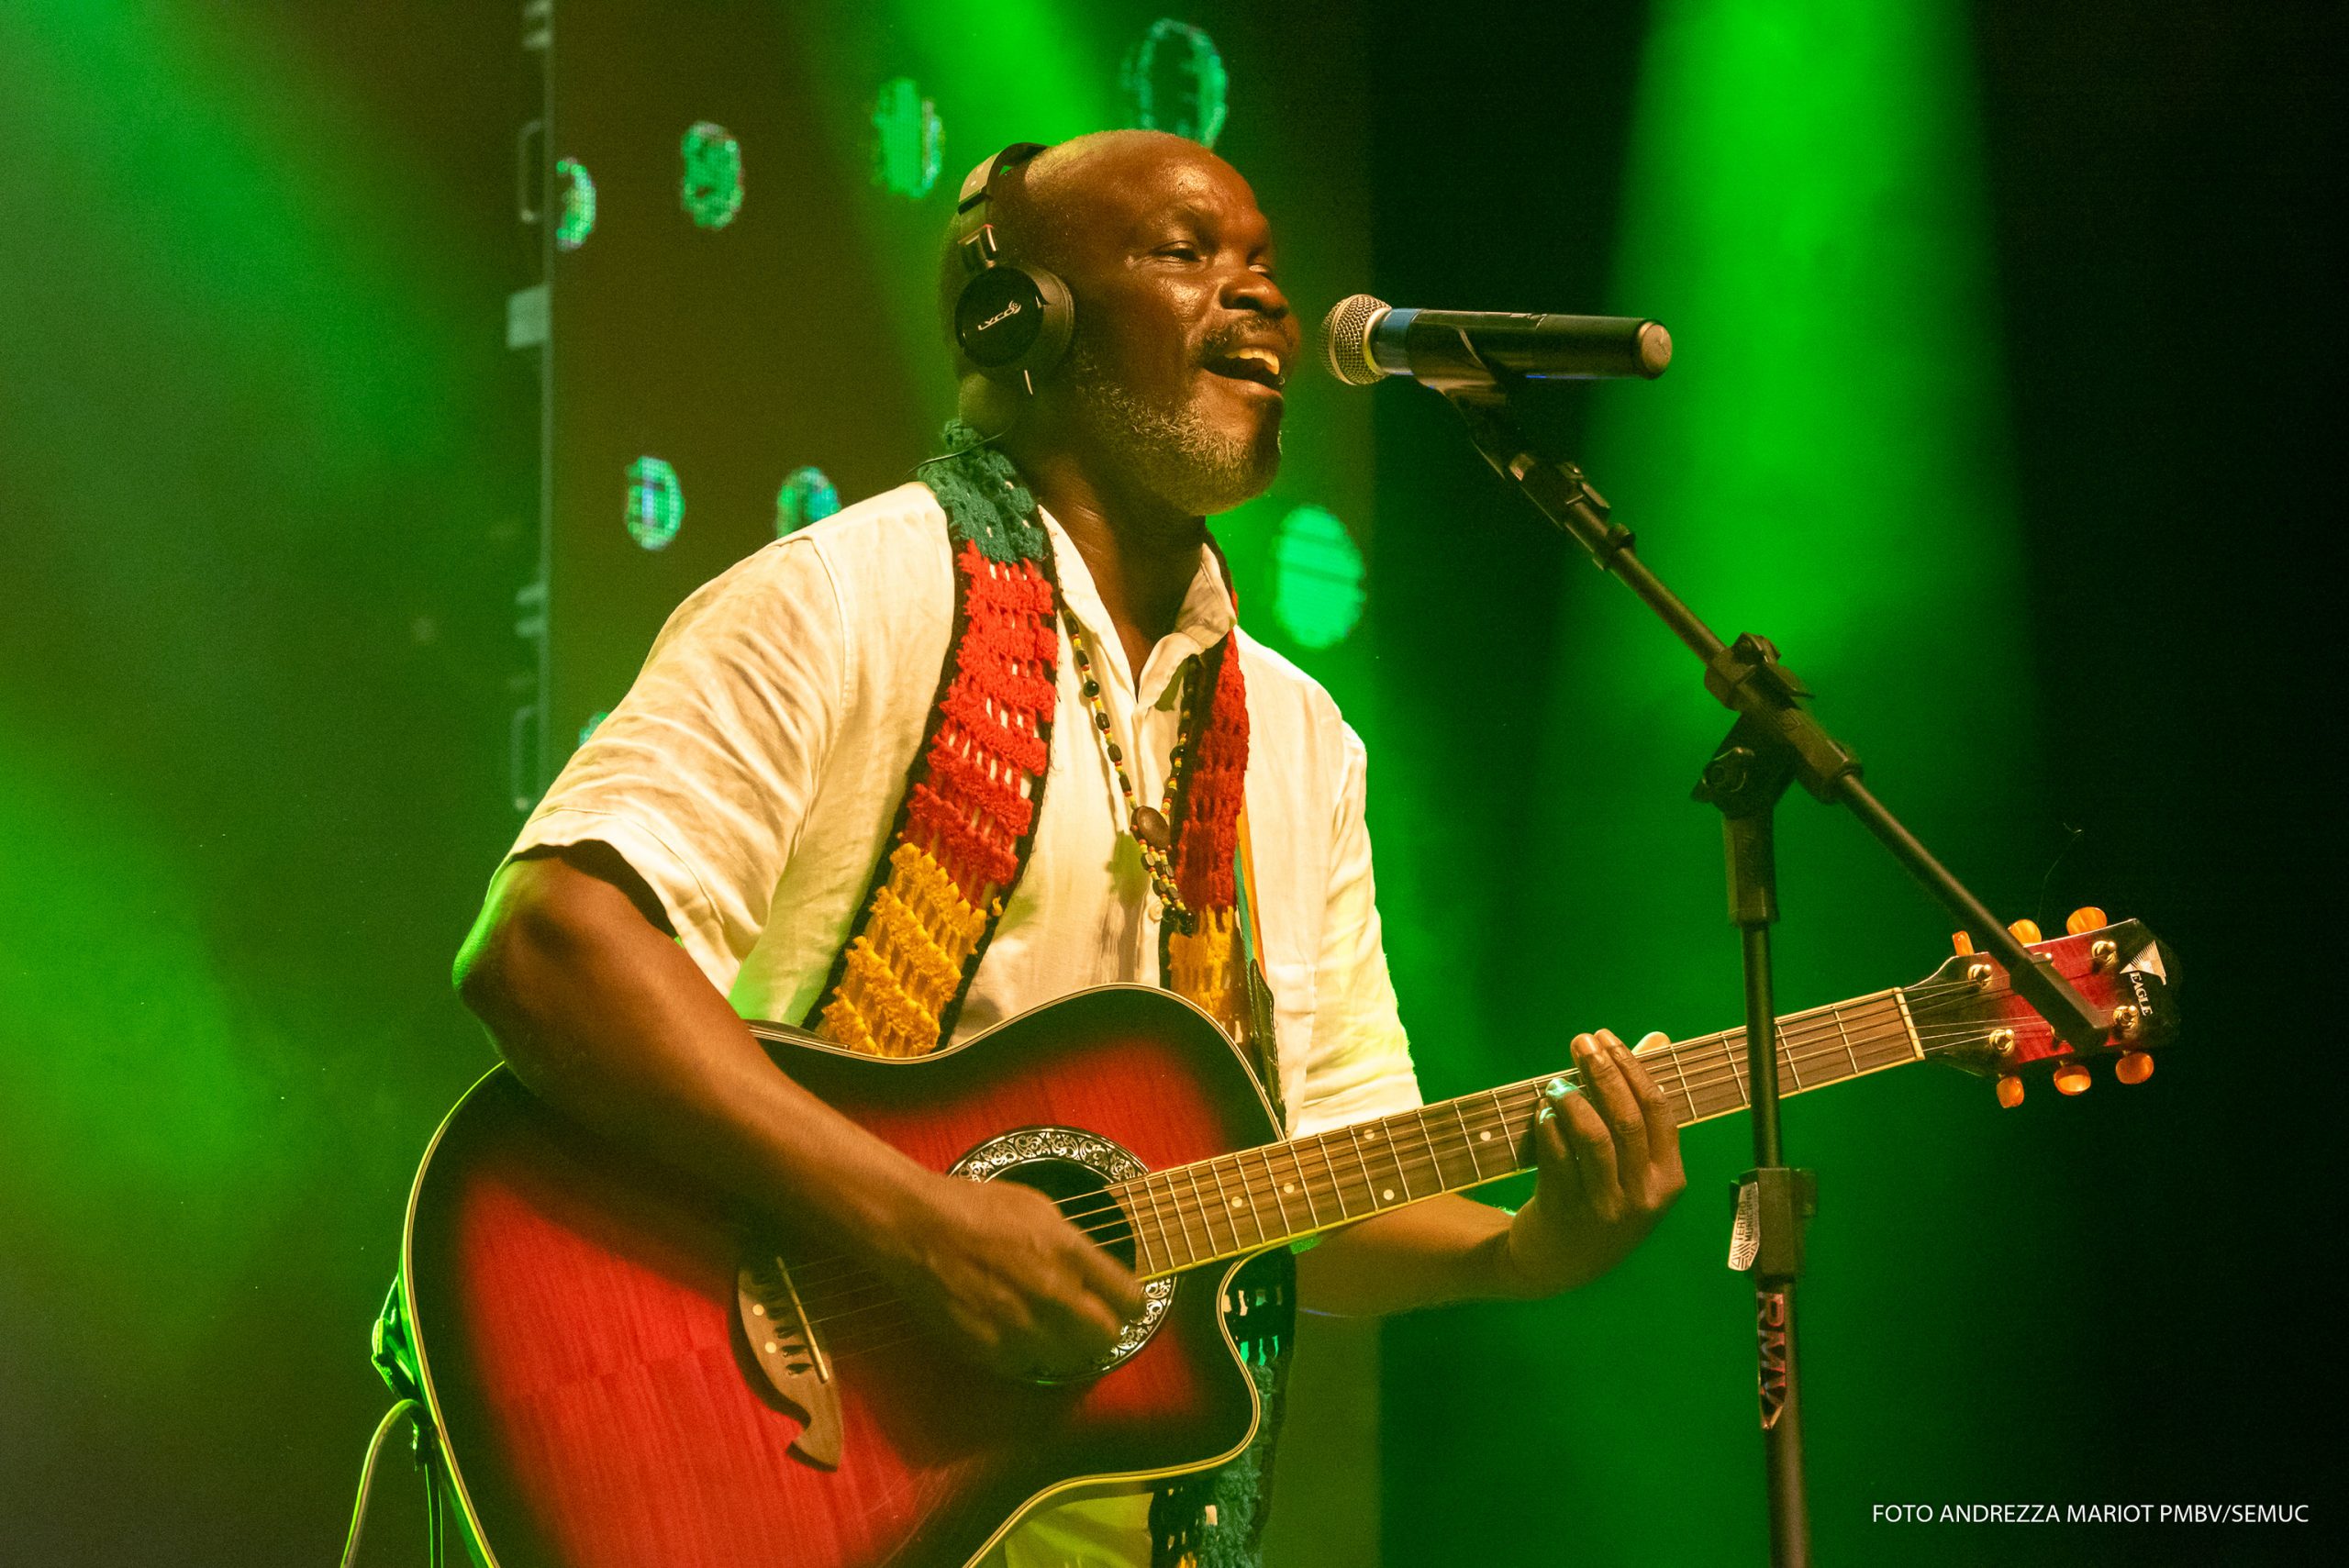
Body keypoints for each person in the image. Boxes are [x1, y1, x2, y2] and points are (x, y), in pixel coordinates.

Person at [453, 129, 1687, 1568]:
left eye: (1269, 269)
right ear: (1016, 317)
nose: (1265, 301)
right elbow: (548, 945)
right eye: (1186, 253)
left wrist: (1526, 1249)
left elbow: (1314, 1183)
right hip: (797, 1461)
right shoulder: (844, 602)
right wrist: (923, 1227)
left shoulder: (1300, 740)